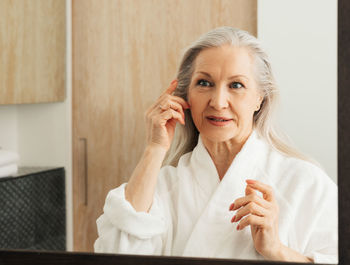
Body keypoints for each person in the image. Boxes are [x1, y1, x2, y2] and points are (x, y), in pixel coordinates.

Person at [94, 27, 337, 263]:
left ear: (259, 98)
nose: (219, 102)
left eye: (236, 85)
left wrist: (276, 250)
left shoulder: (305, 183)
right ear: (185, 95)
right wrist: (154, 148)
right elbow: (115, 253)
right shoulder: (162, 187)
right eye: (204, 83)